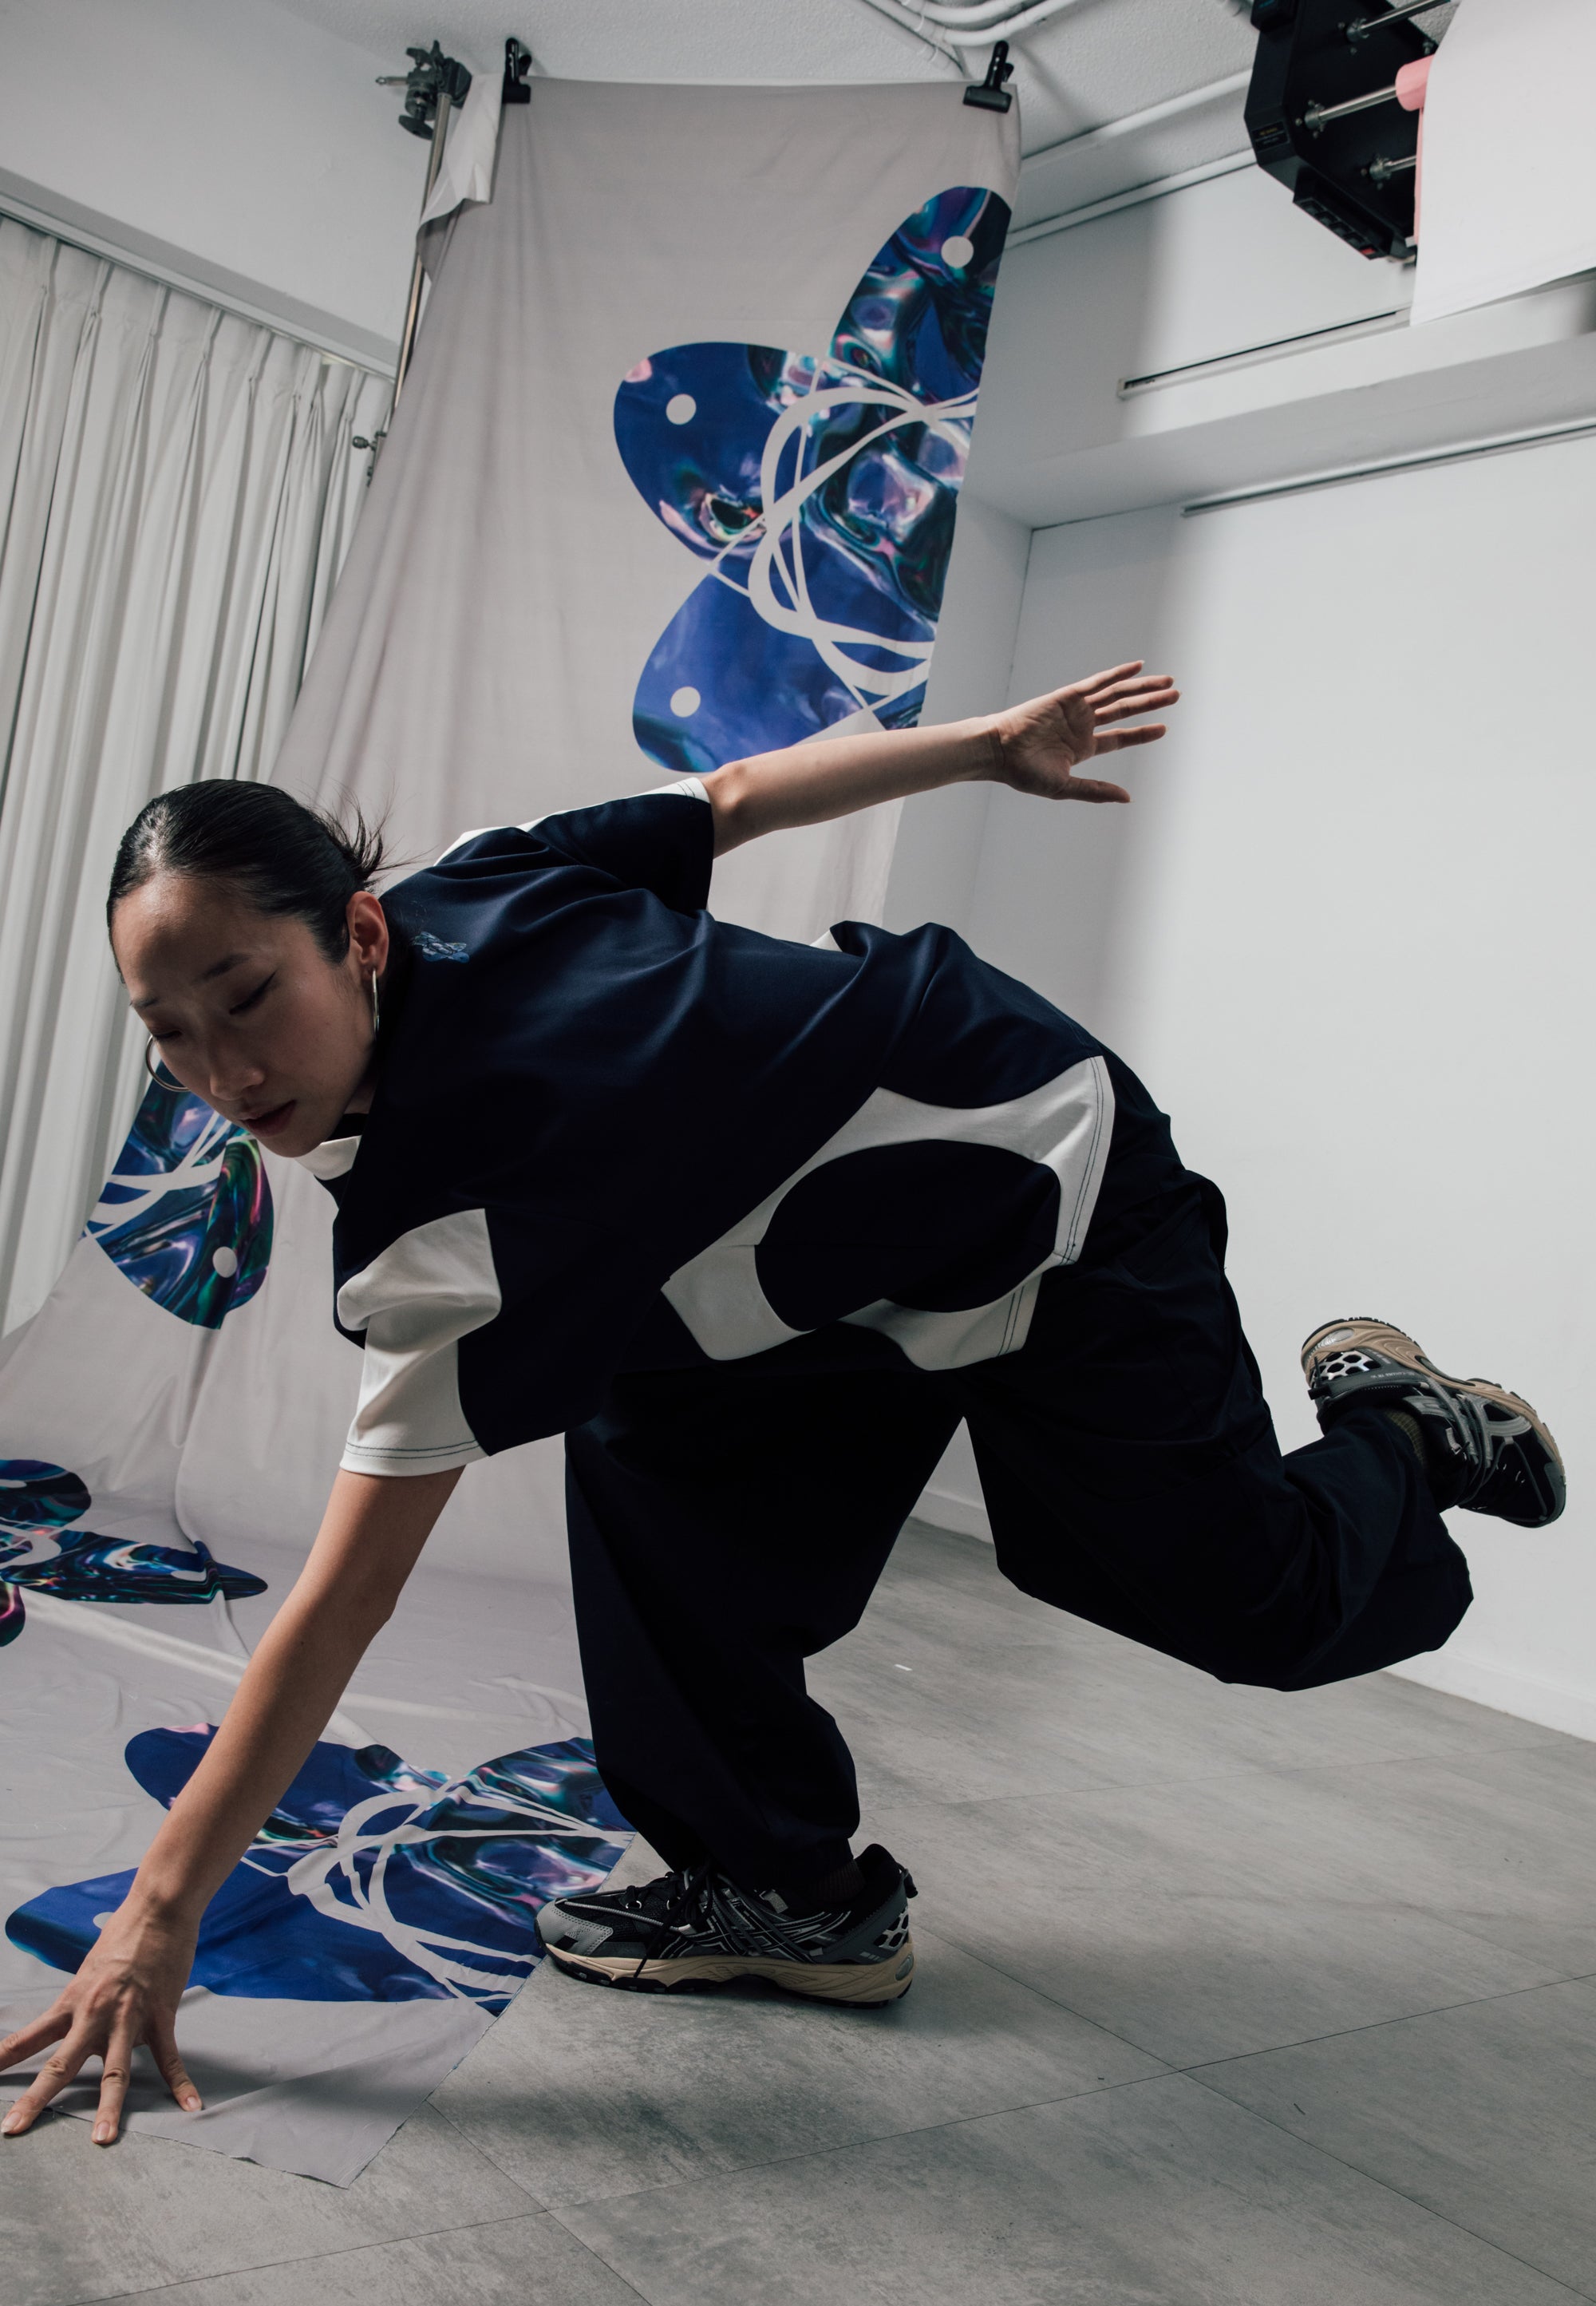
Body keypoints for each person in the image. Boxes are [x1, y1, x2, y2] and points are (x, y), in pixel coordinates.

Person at [0, 663, 1564, 2146]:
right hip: (847, 1275)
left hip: (1046, 1179)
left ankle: (1405, 1429)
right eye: (172, 1033)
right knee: (640, 1428)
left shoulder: (457, 1197)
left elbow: (337, 1604)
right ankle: (790, 1895)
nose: (224, 1073)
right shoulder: (459, 917)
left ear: (358, 933)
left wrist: (157, 1916)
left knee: (1249, 1601)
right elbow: (735, 797)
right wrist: (985, 745)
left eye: (247, 996)